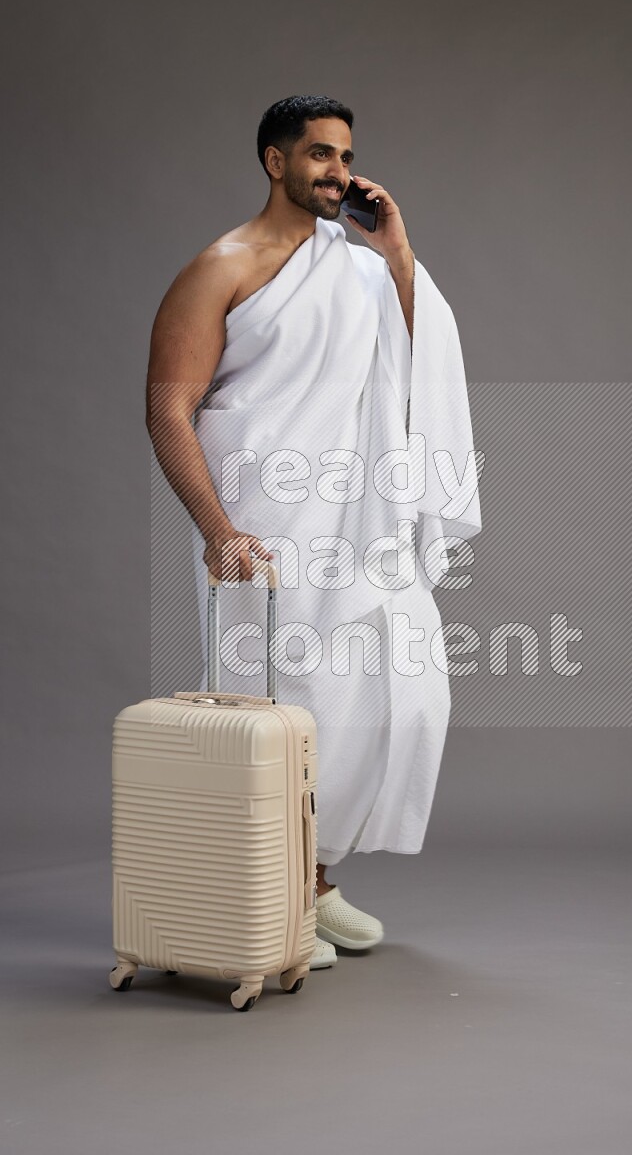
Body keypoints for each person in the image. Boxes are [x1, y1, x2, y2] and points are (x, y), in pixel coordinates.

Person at [145, 95, 481, 972]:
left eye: (346, 156)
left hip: (363, 514)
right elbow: (168, 409)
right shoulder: (219, 267)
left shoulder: (363, 264)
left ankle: (309, 874)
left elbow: (416, 355)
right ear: (274, 160)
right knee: (284, 709)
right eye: (321, 155)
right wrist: (217, 530)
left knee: (398, 694)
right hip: (267, 520)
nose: (339, 172)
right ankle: (273, 891)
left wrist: (396, 249)